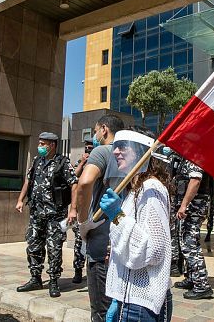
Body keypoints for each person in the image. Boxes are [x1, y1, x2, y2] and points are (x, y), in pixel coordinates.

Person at [99, 131, 172, 322]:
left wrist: (117, 216)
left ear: (141, 151)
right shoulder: (135, 190)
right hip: (128, 298)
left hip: (141, 305)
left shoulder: (151, 189)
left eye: (123, 146)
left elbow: (154, 251)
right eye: (115, 146)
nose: (116, 151)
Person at [75, 114, 125, 322]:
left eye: (96, 131)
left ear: (104, 129)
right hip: (121, 243)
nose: (95, 136)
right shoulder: (130, 155)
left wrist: (83, 222)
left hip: (100, 242)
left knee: (101, 313)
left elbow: (85, 183)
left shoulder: (102, 151)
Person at [16, 132, 77, 297]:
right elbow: (28, 181)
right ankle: (35, 278)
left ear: (52, 145)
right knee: (33, 245)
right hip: (36, 213)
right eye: (39, 143)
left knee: (54, 248)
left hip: (55, 215)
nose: (40, 146)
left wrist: (73, 209)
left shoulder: (63, 162)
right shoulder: (37, 161)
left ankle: (54, 281)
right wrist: (20, 200)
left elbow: (74, 185)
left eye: (43, 144)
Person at [172, 158, 214, 299]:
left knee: (190, 244)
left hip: (194, 207)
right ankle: (192, 278)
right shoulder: (187, 157)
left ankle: (202, 286)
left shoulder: (195, 156)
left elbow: (195, 181)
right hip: (191, 207)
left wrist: (184, 205)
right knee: (186, 242)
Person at [68, 142, 94, 284]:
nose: (88, 150)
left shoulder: (100, 160)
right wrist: (83, 162)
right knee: (79, 241)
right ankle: (78, 270)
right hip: (82, 208)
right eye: (87, 148)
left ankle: (92, 270)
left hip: (94, 208)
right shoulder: (81, 162)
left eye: (91, 148)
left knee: (93, 240)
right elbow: (73, 177)